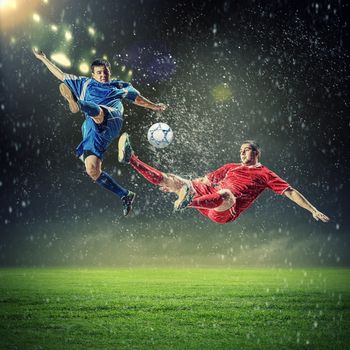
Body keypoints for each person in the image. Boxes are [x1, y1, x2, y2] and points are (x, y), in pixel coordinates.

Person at [33, 49, 167, 216]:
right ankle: (125, 195)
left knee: (99, 112)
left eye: (106, 72)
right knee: (92, 169)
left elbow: (138, 99)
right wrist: (43, 58)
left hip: (111, 117)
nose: (103, 75)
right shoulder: (84, 83)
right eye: (99, 72)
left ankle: (78, 104)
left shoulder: (119, 85)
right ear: (93, 74)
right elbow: (60, 75)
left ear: (109, 72)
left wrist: (155, 106)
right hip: (92, 129)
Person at [118, 133, 330, 224]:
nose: (242, 153)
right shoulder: (230, 167)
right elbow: (205, 180)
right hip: (208, 196)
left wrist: (313, 210)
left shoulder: (265, 174)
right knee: (172, 179)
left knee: (227, 194)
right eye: (240, 150)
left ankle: (186, 201)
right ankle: (132, 159)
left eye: (246, 150)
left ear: (257, 153)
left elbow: (290, 192)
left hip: (225, 210)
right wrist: (180, 184)